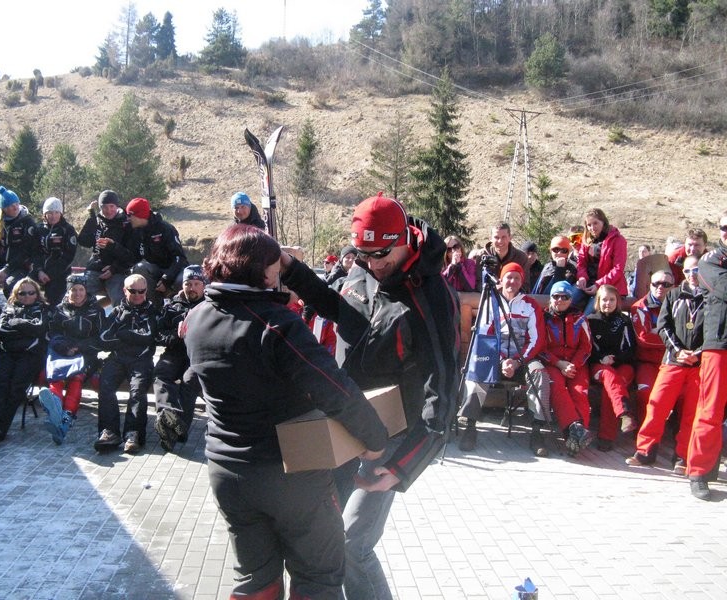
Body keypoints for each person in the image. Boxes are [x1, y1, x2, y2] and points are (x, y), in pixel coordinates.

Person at [184, 224, 388, 599]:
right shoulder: (276, 324)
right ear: (261, 270)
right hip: (290, 473)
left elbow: (197, 376)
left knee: (256, 581)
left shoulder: (196, 318)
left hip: (227, 474)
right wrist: (374, 439)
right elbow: (333, 388)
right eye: (276, 265)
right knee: (318, 579)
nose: (280, 271)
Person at [280, 193, 460, 599]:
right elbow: (334, 306)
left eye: (381, 255)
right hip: (346, 421)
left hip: (393, 434)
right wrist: (290, 269)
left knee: (352, 545)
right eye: (363, 256)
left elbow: (444, 385)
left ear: (405, 240)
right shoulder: (362, 270)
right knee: (321, 535)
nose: (374, 265)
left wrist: (403, 466)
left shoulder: (433, 295)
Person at [458, 262, 552, 457]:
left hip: (523, 359)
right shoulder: (490, 303)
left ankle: (537, 431)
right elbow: (485, 336)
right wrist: (502, 361)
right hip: (495, 357)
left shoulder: (530, 305)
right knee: (477, 371)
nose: (512, 281)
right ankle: (470, 426)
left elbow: (537, 339)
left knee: (540, 374)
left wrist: (517, 361)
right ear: (501, 279)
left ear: (521, 281)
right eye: (509, 277)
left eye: (517, 278)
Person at [627, 256, 703, 472]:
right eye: (688, 271)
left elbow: (716, 331)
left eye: (696, 270)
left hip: (698, 363)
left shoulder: (711, 297)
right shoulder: (674, 296)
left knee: (691, 411)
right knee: (657, 405)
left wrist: (697, 353)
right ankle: (645, 451)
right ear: (683, 273)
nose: (692, 274)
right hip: (673, 361)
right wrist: (677, 350)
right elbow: (663, 326)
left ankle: (682, 456)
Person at [0, 278, 52, 445]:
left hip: (30, 355)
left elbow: (39, 328)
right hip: (8, 353)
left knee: (15, 388)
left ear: (37, 294)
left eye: (31, 293)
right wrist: (26, 329)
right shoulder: (9, 308)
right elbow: (2, 330)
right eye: (22, 293)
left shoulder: (43, 309)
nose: (26, 296)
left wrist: (16, 322)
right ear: (16, 294)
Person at [686, 211, 727, 500]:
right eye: (725, 227)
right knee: (710, 410)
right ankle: (699, 471)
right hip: (719, 344)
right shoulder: (710, 261)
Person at [38, 273, 106, 445]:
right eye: (73, 290)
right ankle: (56, 408)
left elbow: (101, 338)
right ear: (68, 292)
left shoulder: (96, 310)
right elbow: (52, 333)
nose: (77, 294)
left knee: (76, 377)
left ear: (86, 291)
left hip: (86, 354)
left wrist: (80, 347)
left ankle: (65, 416)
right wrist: (64, 346)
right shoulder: (59, 310)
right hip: (63, 353)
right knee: (56, 375)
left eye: (81, 289)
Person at [94, 274, 157, 454]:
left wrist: (121, 335)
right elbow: (102, 339)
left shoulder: (152, 311)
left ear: (146, 291)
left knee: (137, 391)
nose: (137, 295)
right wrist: (127, 336)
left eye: (141, 291)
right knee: (105, 386)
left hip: (141, 360)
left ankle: (133, 433)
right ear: (124, 290)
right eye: (132, 291)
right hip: (117, 358)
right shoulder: (116, 312)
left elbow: (148, 338)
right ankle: (109, 432)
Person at [153, 265, 208, 453]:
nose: (192, 288)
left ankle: (176, 431)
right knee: (161, 373)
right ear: (182, 285)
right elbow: (158, 334)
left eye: (196, 284)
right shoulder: (171, 306)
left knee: (189, 381)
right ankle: (167, 413)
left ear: (203, 285)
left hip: (198, 355)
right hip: (175, 352)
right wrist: (176, 336)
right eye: (188, 284)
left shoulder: (210, 306)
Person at [540, 280, 596, 455]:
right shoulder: (543, 318)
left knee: (579, 392)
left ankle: (577, 441)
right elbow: (540, 347)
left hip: (575, 364)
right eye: (556, 296)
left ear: (571, 299)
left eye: (564, 297)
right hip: (553, 363)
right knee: (556, 386)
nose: (560, 300)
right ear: (550, 298)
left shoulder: (580, 318)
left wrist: (573, 365)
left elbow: (586, 347)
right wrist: (558, 363)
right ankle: (573, 434)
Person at [587, 285, 638, 449]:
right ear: (598, 301)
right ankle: (624, 413)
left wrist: (615, 358)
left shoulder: (624, 321)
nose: (607, 303)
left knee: (614, 385)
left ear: (617, 301)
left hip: (622, 364)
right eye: (604, 300)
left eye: (611, 300)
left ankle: (606, 436)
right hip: (599, 365)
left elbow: (631, 349)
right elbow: (587, 349)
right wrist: (602, 359)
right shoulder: (590, 321)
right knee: (610, 378)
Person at [630, 269, 675, 424]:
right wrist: (672, 337)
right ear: (650, 285)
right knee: (645, 391)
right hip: (647, 362)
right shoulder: (639, 307)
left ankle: (677, 430)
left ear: (673, 286)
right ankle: (643, 430)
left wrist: (658, 332)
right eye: (656, 283)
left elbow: (686, 335)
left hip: (672, 361)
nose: (660, 287)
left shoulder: (679, 304)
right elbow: (644, 339)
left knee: (684, 393)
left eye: (666, 284)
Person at [125, 197, 188, 307]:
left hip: (174, 269)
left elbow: (179, 257)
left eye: (130, 215)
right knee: (140, 268)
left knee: (183, 281)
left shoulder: (165, 228)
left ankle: (185, 310)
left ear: (140, 215)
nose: (128, 218)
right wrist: (113, 247)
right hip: (156, 270)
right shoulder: (135, 231)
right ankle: (153, 308)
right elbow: (132, 256)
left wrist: (166, 279)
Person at [77, 190, 134, 306]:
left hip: (118, 270)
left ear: (117, 206)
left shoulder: (126, 224)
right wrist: (91, 218)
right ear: (100, 207)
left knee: (119, 298)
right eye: (104, 207)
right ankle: (84, 316)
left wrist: (114, 268)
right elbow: (83, 241)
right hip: (96, 269)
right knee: (78, 293)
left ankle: (119, 317)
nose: (108, 210)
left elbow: (131, 256)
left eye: (111, 206)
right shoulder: (97, 221)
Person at [0, 186, 39, 297]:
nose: (15, 207)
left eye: (16, 204)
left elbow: (27, 251)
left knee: (11, 286)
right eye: (11, 205)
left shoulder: (27, 222)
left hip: (20, 266)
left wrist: (6, 270)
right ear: (4, 209)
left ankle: (15, 308)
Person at [576, 208, 628, 314]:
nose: (592, 227)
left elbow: (618, 269)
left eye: (595, 223)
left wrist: (598, 285)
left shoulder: (618, 240)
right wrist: (582, 277)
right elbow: (581, 263)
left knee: (588, 315)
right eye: (589, 225)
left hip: (609, 287)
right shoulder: (586, 240)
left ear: (603, 222)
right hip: (588, 284)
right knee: (567, 300)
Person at [31, 197, 78, 306]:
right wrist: (39, 271)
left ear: (61, 213)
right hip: (40, 272)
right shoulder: (39, 229)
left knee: (52, 300)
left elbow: (69, 256)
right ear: (45, 214)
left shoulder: (68, 230)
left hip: (60, 273)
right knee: (24, 290)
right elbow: (35, 252)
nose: (53, 216)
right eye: (50, 213)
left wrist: (50, 274)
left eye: (56, 212)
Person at [475, 223, 531, 293]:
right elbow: (478, 282)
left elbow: (525, 285)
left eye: (503, 237)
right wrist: (494, 290)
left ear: (510, 237)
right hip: (489, 296)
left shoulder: (521, 257)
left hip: (513, 297)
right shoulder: (482, 256)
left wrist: (506, 289)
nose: (500, 241)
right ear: (490, 238)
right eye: (496, 237)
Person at [531, 235, 581, 302]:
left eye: (564, 250)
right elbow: (536, 289)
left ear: (568, 252)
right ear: (551, 251)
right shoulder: (548, 266)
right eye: (556, 249)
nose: (559, 253)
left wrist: (560, 268)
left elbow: (558, 293)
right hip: (537, 302)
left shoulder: (571, 269)